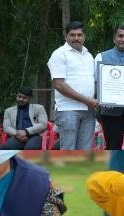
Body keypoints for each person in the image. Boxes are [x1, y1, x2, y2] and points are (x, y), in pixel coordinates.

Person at [46, 21, 97, 150]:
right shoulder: (59, 54)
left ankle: (82, 171)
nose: (76, 38)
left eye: (79, 35)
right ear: (66, 36)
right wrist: (87, 100)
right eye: (72, 35)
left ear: (84, 36)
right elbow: (59, 85)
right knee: (68, 149)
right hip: (68, 110)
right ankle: (66, 171)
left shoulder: (89, 55)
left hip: (88, 110)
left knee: (85, 150)